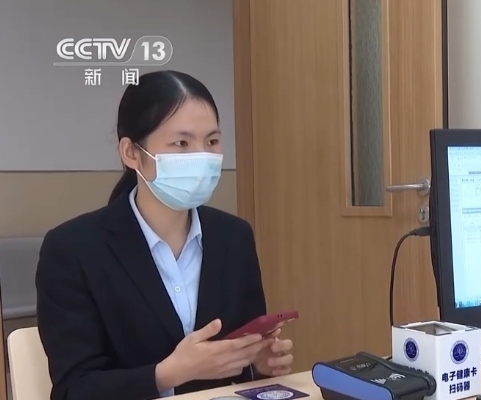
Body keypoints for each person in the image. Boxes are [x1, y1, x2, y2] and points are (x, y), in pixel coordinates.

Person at [36, 70, 295, 400]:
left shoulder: (234, 237)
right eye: (182, 143)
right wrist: (170, 373)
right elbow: (74, 389)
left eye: (212, 141)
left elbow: (242, 350)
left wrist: (257, 362)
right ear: (132, 153)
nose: (202, 156)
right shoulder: (73, 249)